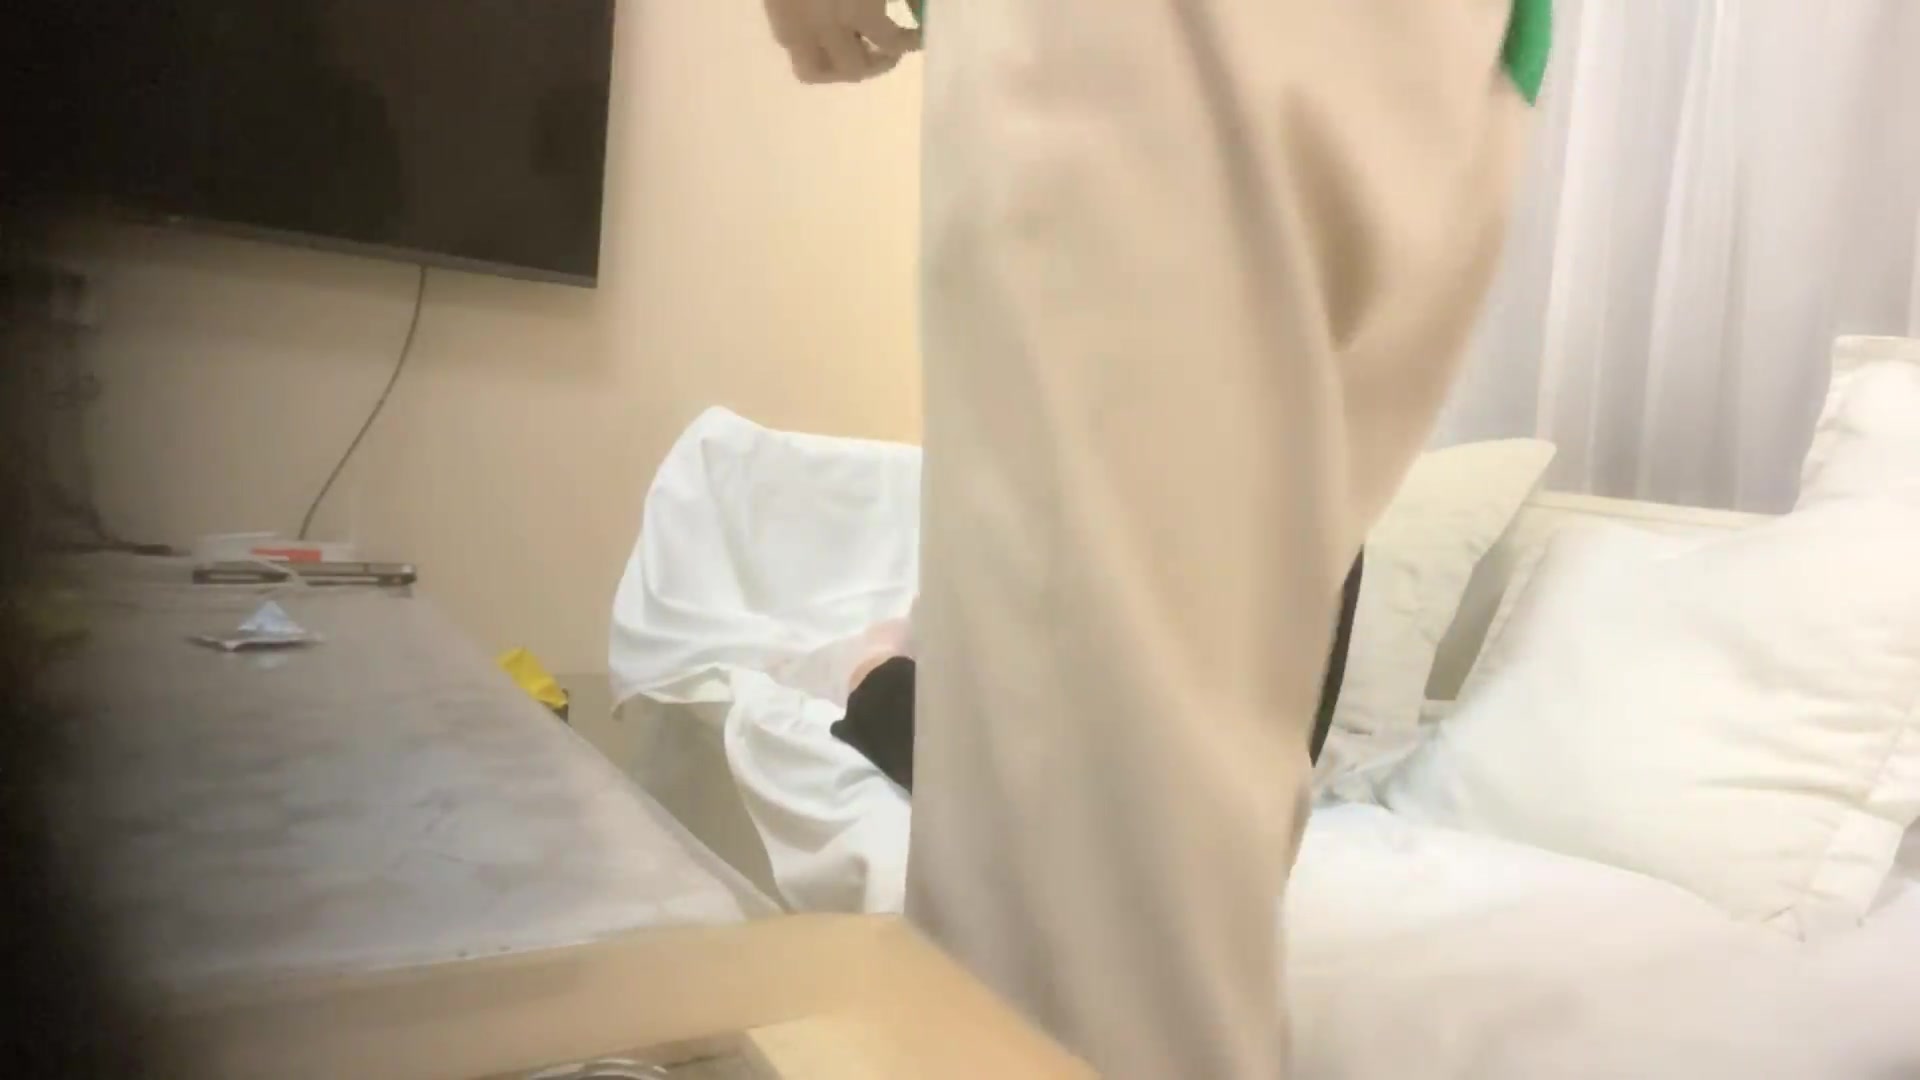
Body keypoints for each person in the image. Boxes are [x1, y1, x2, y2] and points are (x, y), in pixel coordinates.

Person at [759, 1, 1539, 1075]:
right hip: (1458, 67)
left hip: (1157, 35)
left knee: (1062, 955)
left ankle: (882, 674)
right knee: (1169, 871)